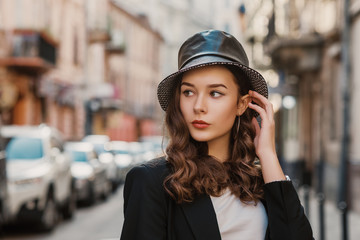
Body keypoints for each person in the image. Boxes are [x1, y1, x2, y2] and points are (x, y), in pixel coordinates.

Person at [120, 30, 313, 240]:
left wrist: (267, 154)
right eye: (188, 92)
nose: (198, 106)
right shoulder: (152, 182)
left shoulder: (259, 182)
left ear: (241, 104)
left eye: (215, 93)